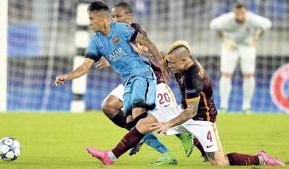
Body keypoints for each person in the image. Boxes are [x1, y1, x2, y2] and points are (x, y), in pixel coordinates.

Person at [86, 40, 285, 167]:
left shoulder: (194, 78)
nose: (168, 67)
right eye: (169, 62)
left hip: (202, 119)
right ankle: (110, 157)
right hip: (182, 109)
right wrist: (134, 50)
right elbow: (159, 58)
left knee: (220, 162)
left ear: (184, 61)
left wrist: (166, 124)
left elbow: (191, 112)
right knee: (143, 124)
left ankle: (261, 159)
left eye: (172, 64)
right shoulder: (179, 60)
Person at [53, 1, 173, 165]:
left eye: (91, 19)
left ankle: (116, 155)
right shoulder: (95, 41)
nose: (90, 23)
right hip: (128, 81)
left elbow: (147, 43)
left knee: (139, 116)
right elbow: (84, 67)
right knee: (125, 117)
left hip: (142, 75)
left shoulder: (123, 29)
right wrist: (66, 76)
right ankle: (162, 133)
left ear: (103, 18)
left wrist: (161, 62)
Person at [96, 2, 195, 164]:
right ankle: (144, 140)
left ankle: (207, 151)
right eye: (113, 16)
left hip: (153, 80)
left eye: (119, 16)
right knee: (109, 106)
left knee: (174, 119)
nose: (115, 19)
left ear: (129, 17)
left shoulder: (135, 31)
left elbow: (146, 52)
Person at [210, 2, 272, 113]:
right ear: (234, 12)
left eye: (242, 13)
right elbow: (214, 26)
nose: (239, 16)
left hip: (246, 46)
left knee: (249, 74)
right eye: (237, 13)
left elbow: (267, 24)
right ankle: (224, 106)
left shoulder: (252, 18)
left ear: (246, 12)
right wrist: (225, 40)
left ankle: (246, 107)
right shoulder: (227, 19)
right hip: (230, 46)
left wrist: (255, 39)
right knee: (226, 73)